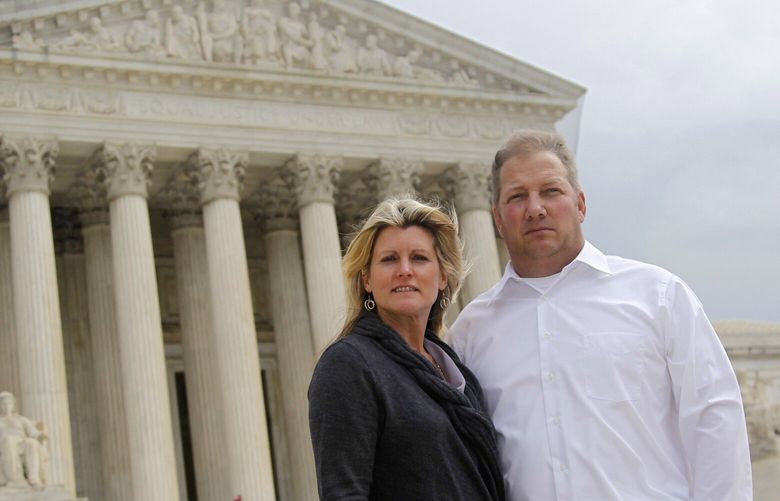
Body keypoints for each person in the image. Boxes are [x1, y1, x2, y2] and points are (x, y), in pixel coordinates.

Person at [449, 129, 753, 500]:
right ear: (497, 218)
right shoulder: (471, 332)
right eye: (517, 196)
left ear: (580, 204)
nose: (535, 208)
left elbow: (714, 418)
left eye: (551, 191)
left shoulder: (658, 296)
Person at [308, 197, 505, 501]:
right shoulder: (349, 364)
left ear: (443, 277)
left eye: (419, 258)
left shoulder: (456, 369)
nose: (404, 270)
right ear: (367, 280)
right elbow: (344, 493)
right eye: (388, 259)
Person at [0, 391, 48, 488]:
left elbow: (33, 432)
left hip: (21, 443)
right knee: (9, 441)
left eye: (9, 403)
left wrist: (40, 435)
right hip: (5, 444)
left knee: (32, 443)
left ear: (13, 405)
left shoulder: (21, 419)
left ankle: (33, 478)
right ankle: (15, 479)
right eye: (4, 404)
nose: (6, 406)